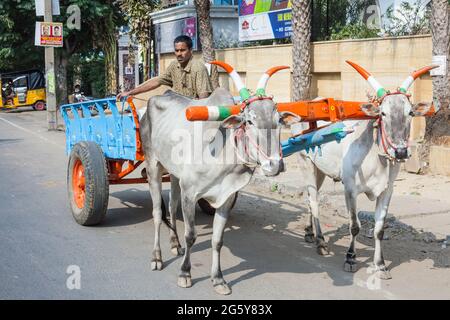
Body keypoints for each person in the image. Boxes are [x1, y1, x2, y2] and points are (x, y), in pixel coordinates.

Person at [117, 35, 212, 100]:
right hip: (177, 109)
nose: (179, 54)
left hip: (193, 113)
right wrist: (130, 93)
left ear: (191, 50)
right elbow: (157, 81)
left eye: (183, 50)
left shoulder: (198, 68)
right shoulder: (174, 65)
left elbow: (204, 98)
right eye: (177, 50)